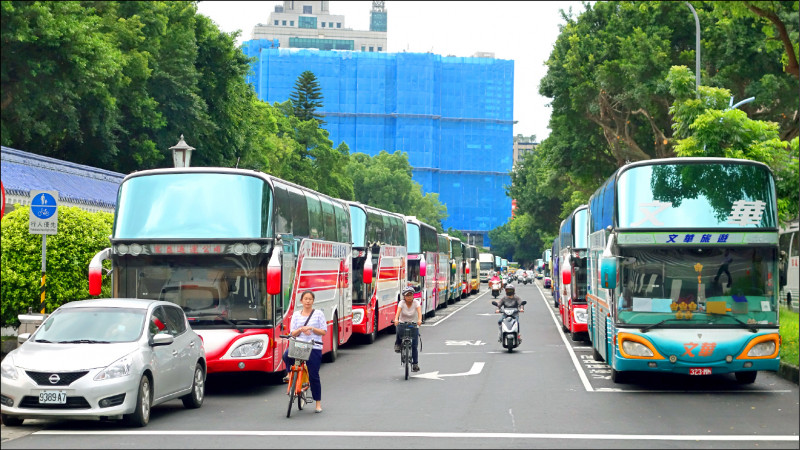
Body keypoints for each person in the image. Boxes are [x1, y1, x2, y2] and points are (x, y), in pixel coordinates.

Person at [282, 290, 326, 413]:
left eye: (310, 299)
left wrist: (311, 328)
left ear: (313, 301)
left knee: (314, 375)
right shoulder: (296, 315)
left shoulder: (318, 314)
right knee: (286, 355)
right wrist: (301, 329)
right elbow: (292, 333)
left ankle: (318, 403)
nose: (307, 301)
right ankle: (290, 373)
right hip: (299, 345)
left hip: (314, 346)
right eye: (305, 299)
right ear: (301, 301)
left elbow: (323, 331)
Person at [393, 285, 422, 372]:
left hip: (413, 324)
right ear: (404, 296)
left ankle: (415, 364)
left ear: (413, 295)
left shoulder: (416, 303)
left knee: (414, 345)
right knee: (398, 329)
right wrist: (396, 319)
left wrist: (419, 320)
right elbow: (398, 312)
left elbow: (419, 312)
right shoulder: (401, 303)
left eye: (410, 295)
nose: (409, 297)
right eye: (407, 295)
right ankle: (398, 344)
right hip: (403, 323)